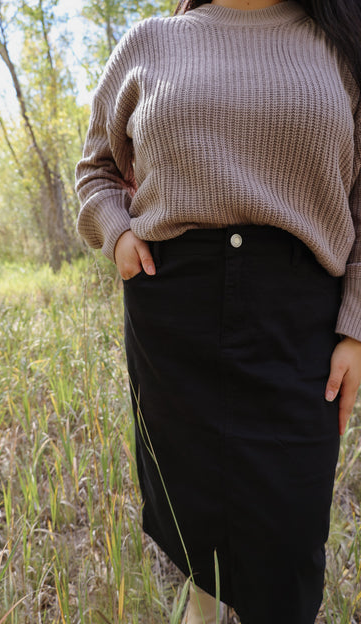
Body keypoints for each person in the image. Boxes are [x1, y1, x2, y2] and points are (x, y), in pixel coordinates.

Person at [74, 0, 361, 621]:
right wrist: (117, 233)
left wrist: (357, 328)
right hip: (174, 315)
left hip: (299, 319)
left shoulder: (342, 42)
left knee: (290, 534)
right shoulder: (151, 41)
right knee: (193, 516)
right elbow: (95, 169)